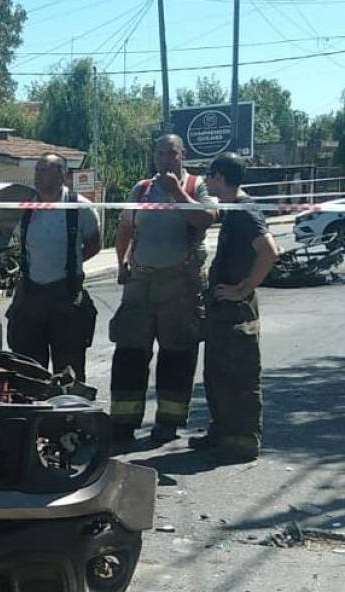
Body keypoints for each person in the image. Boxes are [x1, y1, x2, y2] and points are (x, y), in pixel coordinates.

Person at [109, 134, 219, 444]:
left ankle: (168, 423)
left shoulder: (198, 185)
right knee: (129, 351)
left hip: (180, 284)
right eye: (160, 153)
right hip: (140, 282)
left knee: (177, 354)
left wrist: (177, 193)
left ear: (183, 154)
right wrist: (121, 262)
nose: (165, 159)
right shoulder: (142, 189)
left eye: (171, 153)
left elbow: (206, 218)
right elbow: (126, 227)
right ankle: (124, 421)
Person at [189, 152, 279, 462]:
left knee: (239, 375)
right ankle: (223, 431)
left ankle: (242, 441)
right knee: (217, 373)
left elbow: (269, 251)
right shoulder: (232, 209)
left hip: (236, 311)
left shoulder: (244, 211)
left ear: (219, 177)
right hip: (222, 310)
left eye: (209, 175)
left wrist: (244, 288)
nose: (205, 180)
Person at [6, 154, 101, 381]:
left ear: (62, 174)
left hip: (66, 298)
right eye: (37, 170)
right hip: (31, 295)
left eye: (45, 170)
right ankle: (31, 414)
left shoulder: (81, 208)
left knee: (70, 369)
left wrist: (68, 266)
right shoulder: (24, 207)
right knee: (28, 369)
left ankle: (69, 414)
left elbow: (94, 244)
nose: (38, 175)